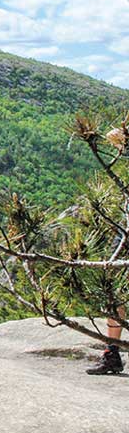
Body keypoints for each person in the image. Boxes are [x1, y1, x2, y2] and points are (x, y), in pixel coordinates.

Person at [87, 126, 127, 375]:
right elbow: (115, 135)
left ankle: (112, 353)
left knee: (116, 288)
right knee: (114, 288)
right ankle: (111, 352)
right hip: (127, 228)